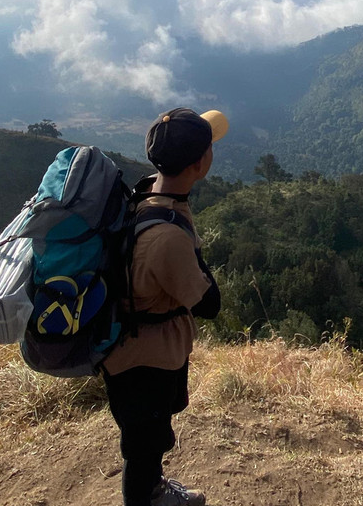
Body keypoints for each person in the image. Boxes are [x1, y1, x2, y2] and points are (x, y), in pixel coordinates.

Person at [101, 107, 227, 506]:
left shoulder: (144, 193)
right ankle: (145, 497)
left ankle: (153, 488)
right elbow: (210, 304)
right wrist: (194, 249)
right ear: (200, 163)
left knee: (147, 436)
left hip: (132, 347)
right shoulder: (168, 235)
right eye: (209, 148)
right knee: (144, 444)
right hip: (144, 359)